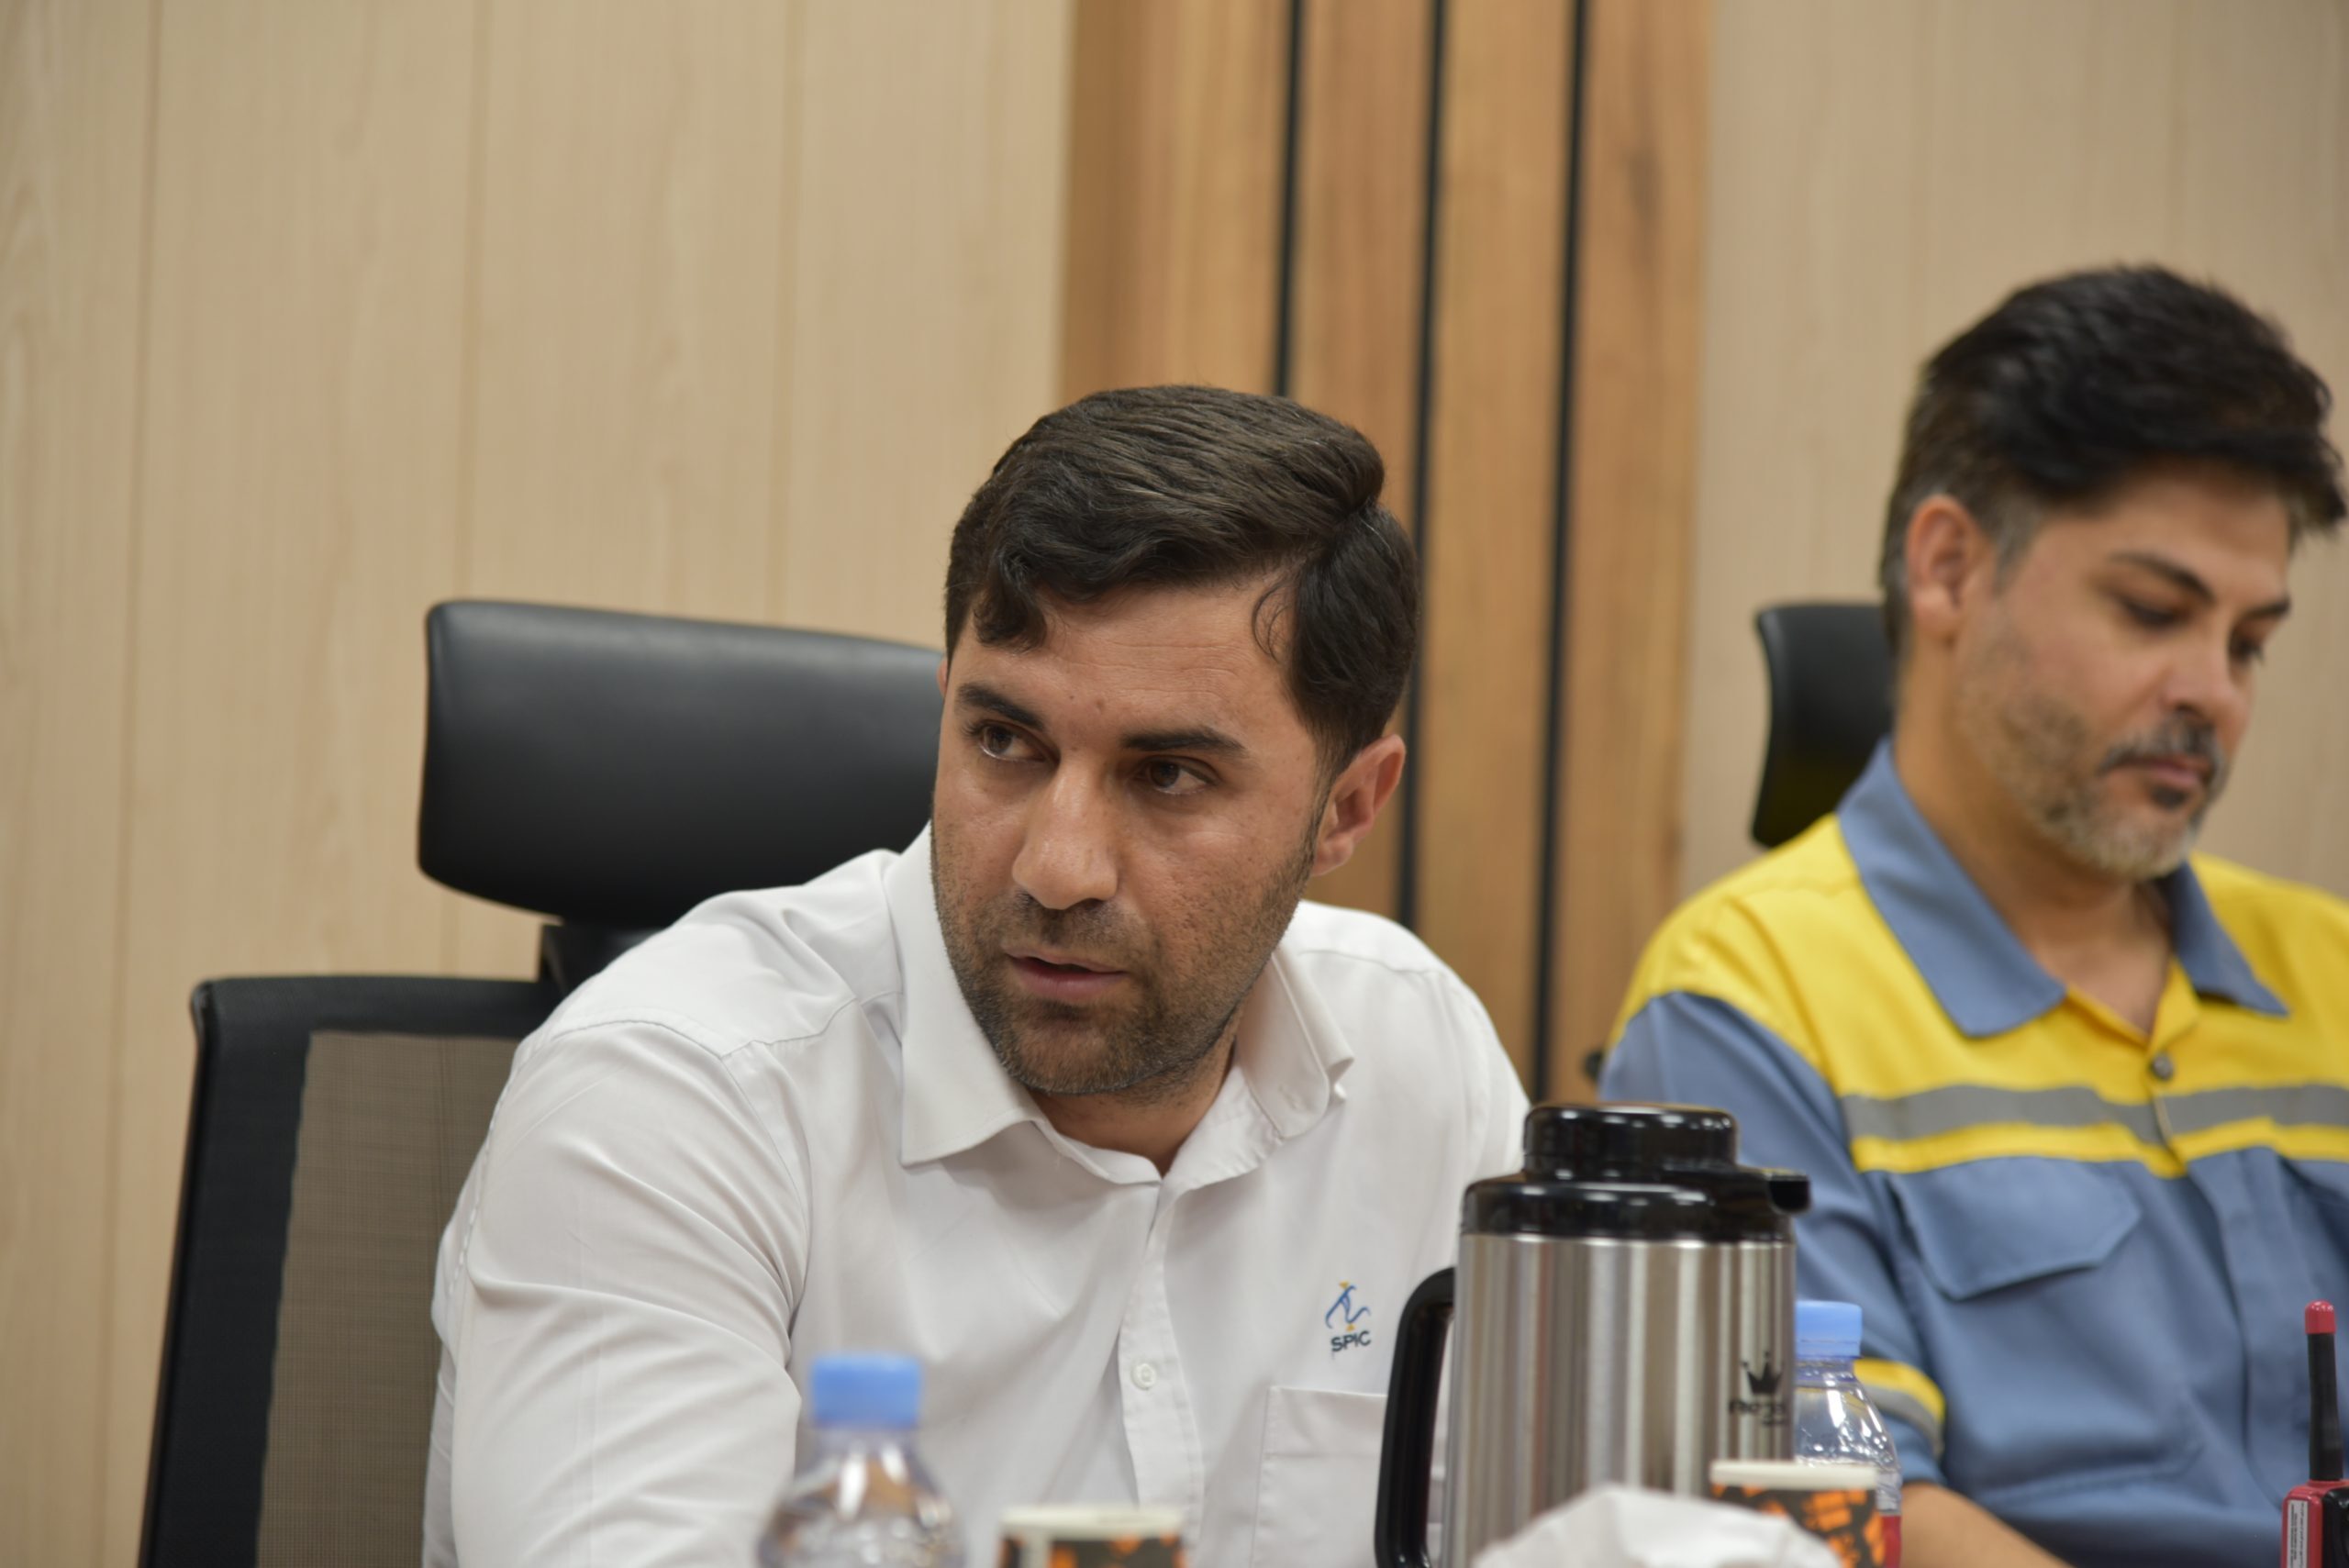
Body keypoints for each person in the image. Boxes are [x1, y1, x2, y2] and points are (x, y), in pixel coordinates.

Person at [422, 385, 1531, 1567]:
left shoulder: (1418, 1055)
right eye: (1005, 742)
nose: (1057, 868)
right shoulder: (670, 1096)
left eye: (1167, 775)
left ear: (1346, 808)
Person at [1600, 266, 2349, 1568]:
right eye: (2154, 612)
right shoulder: (1748, 996)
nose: (2214, 693)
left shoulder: (2327, 962)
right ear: (1949, 567)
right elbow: (1850, 1505)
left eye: (2249, 642)